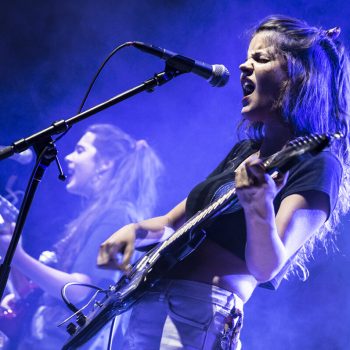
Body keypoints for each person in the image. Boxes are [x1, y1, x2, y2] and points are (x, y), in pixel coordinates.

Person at [97, 15, 350, 350]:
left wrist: (258, 207)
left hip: (197, 316)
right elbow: (174, 224)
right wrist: (134, 232)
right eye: (247, 57)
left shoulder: (318, 162)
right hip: (149, 303)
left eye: (260, 59)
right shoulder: (245, 151)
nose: (244, 66)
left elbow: (267, 268)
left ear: (298, 79)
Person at [0, 123, 163, 349]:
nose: (67, 157)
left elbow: (80, 291)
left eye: (80, 150)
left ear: (105, 164)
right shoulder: (102, 215)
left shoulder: (118, 218)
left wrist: (18, 257)